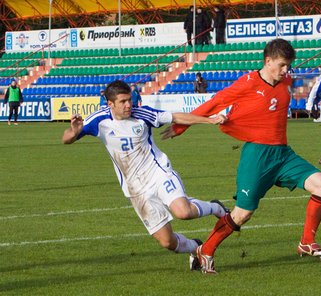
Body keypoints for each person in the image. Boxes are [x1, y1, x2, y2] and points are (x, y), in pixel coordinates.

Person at [164, 39, 321, 274]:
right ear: (268, 61)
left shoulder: (286, 81)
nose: (287, 70)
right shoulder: (248, 83)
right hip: (257, 155)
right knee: (242, 214)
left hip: (283, 154)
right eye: (283, 65)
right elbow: (215, 103)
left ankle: (306, 242)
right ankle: (206, 250)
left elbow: (298, 88)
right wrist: (181, 126)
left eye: (289, 66)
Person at [61, 80, 230, 270]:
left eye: (129, 100)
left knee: (184, 212)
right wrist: (74, 131)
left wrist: (210, 120)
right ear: (110, 104)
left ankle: (215, 208)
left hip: (158, 173)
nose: (128, 105)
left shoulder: (143, 114)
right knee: (168, 242)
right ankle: (197, 247)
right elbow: (66, 139)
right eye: (123, 101)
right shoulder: (98, 121)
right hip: (136, 190)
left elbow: (176, 116)